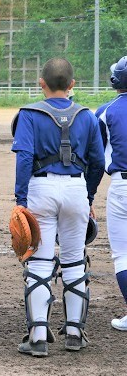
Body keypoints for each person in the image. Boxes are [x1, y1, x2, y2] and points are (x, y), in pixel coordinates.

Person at [11, 58, 104, 356]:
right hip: (76, 187)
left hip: (41, 188)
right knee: (76, 260)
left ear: (41, 83)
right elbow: (98, 163)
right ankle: (75, 334)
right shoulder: (87, 115)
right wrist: (88, 198)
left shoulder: (29, 113)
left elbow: (24, 157)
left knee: (39, 261)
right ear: (72, 85)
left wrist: (20, 200)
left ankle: (37, 337)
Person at [95, 57, 127, 332]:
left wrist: (88, 194)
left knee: (123, 255)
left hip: (121, 187)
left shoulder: (106, 111)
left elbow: (94, 156)